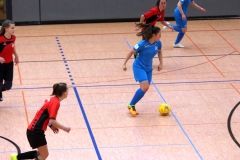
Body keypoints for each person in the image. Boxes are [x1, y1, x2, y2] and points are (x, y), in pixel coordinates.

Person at [10, 83, 71, 160]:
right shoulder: (56, 103)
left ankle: (15, 157)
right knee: (44, 155)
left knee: (40, 153)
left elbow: (44, 116)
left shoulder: (52, 100)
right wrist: (64, 128)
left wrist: (51, 126)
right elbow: (52, 120)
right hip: (36, 131)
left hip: (33, 130)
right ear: (64, 93)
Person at [123, 24, 163, 115]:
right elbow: (131, 52)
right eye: (159, 34)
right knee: (145, 87)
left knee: (145, 88)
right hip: (139, 67)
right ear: (154, 35)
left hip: (149, 68)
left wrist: (161, 63)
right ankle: (131, 104)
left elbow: (160, 52)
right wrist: (124, 64)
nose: (160, 36)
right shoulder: (142, 44)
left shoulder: (158, 43)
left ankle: (132, 104)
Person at [0, 20, 19, 101]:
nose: (13, 29)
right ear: (6, 29)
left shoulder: (13, 38)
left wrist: (16, 56)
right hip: (0, 65)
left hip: (9, 64)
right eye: (12, 28)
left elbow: (12, 47)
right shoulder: (0, 39)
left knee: (8, 86)